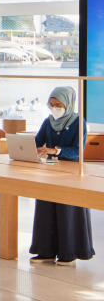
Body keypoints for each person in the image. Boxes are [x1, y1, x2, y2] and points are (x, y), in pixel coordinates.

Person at [30, 85, 95, 265]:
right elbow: (36, 142)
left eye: (58, 104)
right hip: (49, 171)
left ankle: (70, 253)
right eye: (51, 104)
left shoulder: (78, 123)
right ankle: (45, 251)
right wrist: (35, 150)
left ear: (68, 103)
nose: (54, 107)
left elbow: (77, 151)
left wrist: (56, 150)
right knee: (45, 208)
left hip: (71, 173)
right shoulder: (48, 121)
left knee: (67, 210)